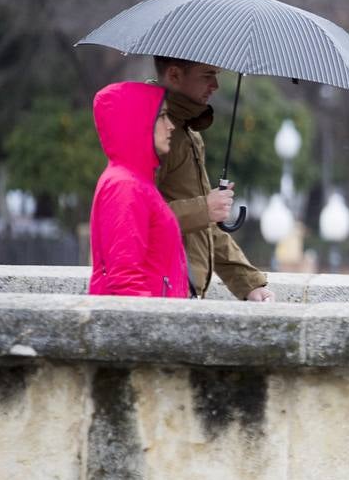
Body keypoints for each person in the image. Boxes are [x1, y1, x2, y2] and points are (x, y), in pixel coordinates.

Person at [151, 57, 273, 301]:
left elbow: (204, 227)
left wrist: (249, 283)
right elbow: (139, 220)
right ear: (174, 76)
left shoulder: (187, 132)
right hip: (163, 289)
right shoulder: (157, 132)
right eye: (207, 75)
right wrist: (204, 208)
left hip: (183, 289)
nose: (215, 85)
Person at [88, 82, 189, 298]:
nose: (171, 125)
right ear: (138, 121)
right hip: (146, 327)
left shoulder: (139, 182)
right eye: (162, 116)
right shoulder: (124, 186)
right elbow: (125, 280)